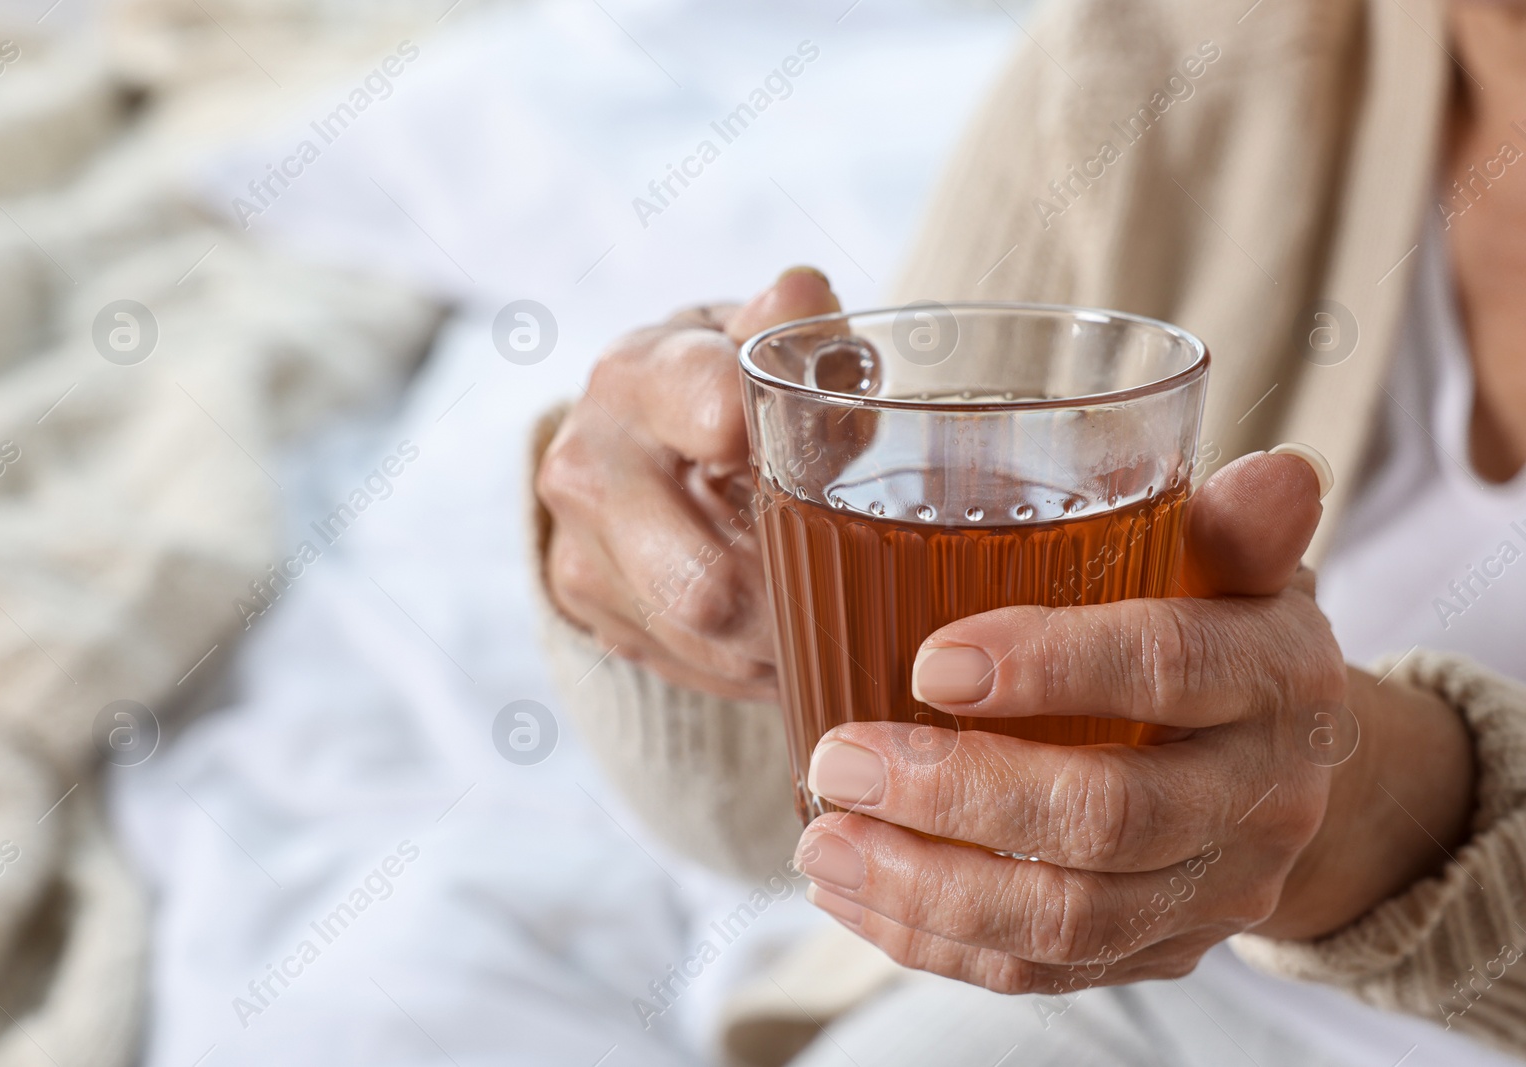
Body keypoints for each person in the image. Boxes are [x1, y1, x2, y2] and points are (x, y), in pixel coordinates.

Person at [530, 0, 1526, 1062]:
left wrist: (1376, 823)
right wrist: (664, 540)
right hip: (1099, 1002)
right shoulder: (1150, 58)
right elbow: (789, 794)